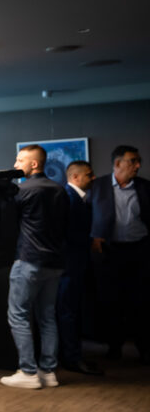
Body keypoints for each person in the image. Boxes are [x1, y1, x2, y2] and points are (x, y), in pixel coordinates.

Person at [0, 145, 69, 389]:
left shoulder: (22, 190)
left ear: (34, 164)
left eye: (20, 160)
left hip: (28, 259)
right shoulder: (60, 190)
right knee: (47, 316)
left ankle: (28, 372)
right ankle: (48, 371)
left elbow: (7, 223)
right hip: (55, 261)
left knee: (18, 314)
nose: (15, 164)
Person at [87, 145, 150, 363]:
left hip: (140, 250)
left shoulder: (145, 187)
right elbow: (85, 215)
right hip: (109, 252)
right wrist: (93, 236)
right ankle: (114, 347)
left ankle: (144, 348)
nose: (138, 165)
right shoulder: (98, 186)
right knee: (111, 301)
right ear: (117, 163)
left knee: (141, 301)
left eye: (138, 161)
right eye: (133, 161)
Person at [57, 160, 101, 375]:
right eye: (89, 174)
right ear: (75, 177)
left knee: (72, 310)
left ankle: (73, 355)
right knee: (68, 312)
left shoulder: (79, 199)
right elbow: (67, 234)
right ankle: (71, 358)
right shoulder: (68, 198)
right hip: (68, 266)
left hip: (76, 264)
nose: (93, 178)